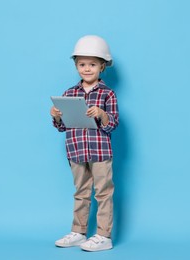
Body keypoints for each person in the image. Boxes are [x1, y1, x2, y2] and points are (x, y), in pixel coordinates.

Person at [50, 35, 119, 252]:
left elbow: (113, 124)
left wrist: (101, 114)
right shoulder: (69, 93)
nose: (86, 69)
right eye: (82, 64)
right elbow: (62, 127)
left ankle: (103, 235)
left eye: (92, 64)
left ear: (102, 66)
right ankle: (79, 232)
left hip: (100, 152)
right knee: (80, 191)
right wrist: (57, 116)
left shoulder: (107, 94)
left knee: (103, 192)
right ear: (76, 65)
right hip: (76, 150)